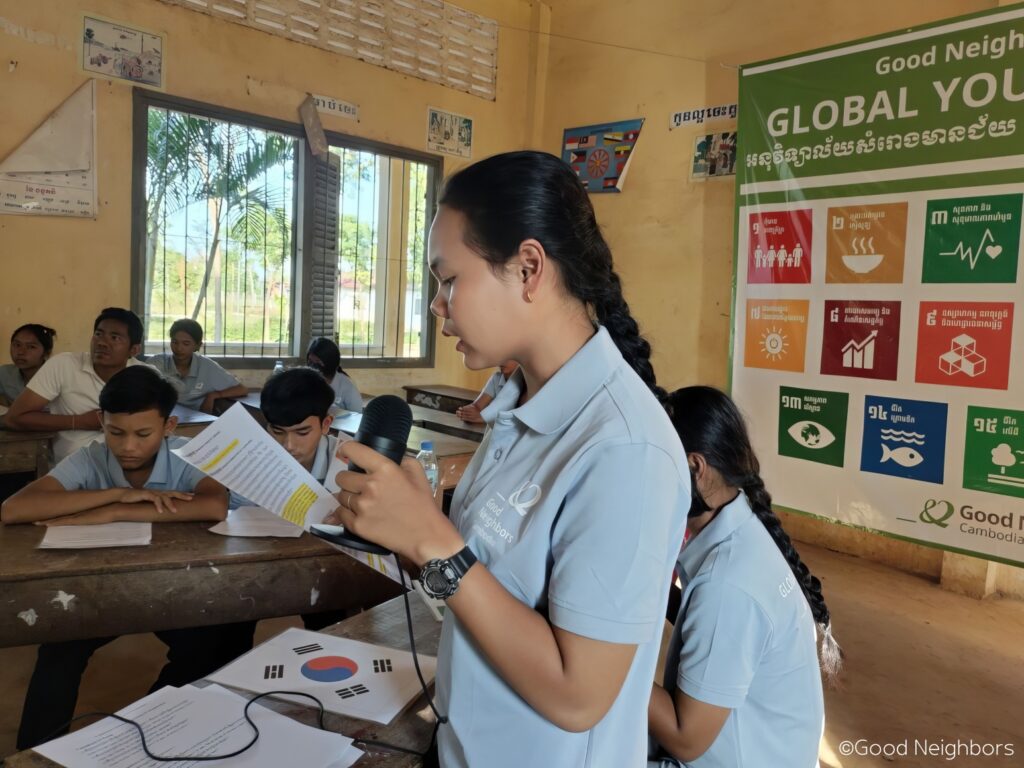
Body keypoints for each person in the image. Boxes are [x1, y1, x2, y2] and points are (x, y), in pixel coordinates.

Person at [328, 151, 689, 767]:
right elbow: (483, 584)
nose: (437, 308)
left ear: (528, 268)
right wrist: (411, 527)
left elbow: (579, 697)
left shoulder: (626, 447)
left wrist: (432, 540)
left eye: (448, 281)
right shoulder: (519, 404)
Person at [2, 366, 253, 749]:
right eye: (115, 432)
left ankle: (144, 733)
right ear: (101, 421)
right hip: (99, 591)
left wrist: (115, 513)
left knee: (209, 645)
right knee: (58, 651)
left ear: (169, 427)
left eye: (143, 434)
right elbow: (14, 509)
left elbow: (214, 505)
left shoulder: (185, 458)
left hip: (171, 589)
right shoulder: (91, 459)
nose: (128, 447)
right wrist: (118, 495)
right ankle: (34, 753)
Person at [648, 386, 840, 768]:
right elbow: (704, 615)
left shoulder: (728, 584)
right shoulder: (746, 528)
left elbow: (687, 739)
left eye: (655, 462)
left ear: (695, 468)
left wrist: (609, 660)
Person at [4, 308, 150, 461]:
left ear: (134, 349)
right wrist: (79, 421)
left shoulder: (146, 376)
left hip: (129, 466)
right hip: (75, 472)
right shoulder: (63, 365)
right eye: (98, 334)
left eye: (115, 338)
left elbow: (157, 427)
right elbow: (14, 418)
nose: (102, 343)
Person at [148, 318, 247, 412]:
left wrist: (213, 395)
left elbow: (241, 389)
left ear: (198, 345)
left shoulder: (207, 366)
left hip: (196, 420)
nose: (179, 348)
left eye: (186, 344)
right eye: (175, 342)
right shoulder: (156, 363)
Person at [0, 324, 57, 406]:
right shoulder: (4, 373)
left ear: (46, 352)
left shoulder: (56, 379)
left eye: (31, 347)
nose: (20, 352)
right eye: (17, 345)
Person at [306, 336, 362, 414]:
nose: (313, 365)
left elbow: (357, 416)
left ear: (330, 362)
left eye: (317, 361)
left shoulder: (346, 386)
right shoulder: (305, 381)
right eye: (310, 361)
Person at [454, 360, 518, 424]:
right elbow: (477, 406)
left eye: (508, 357)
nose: (502, 361)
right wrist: (466, 412)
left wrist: (482, 418)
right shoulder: (496, 378)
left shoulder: (525, 383)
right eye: (501, 357)